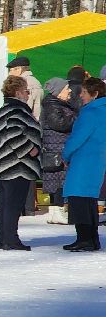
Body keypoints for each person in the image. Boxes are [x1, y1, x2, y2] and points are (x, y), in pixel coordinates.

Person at [0, 74, 43, 251]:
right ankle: (11, 239)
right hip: (16, 166)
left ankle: (3, 238)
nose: (28, 95)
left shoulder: (3, 109)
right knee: (13, 205)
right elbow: (13, 133)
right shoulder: (17, 110)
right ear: (19, 92)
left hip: (2, 165)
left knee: (4, 204)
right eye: (27, 91)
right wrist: (30, 149)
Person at [61, 76, 106, 252]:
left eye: (85, 93)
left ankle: (84, 238)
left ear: (94, 94)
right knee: (89, 200)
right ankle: (92, 239)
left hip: (83, 160)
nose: (81, 96)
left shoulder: (90, 112)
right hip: (98, 160)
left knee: (78, 199)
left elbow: (77, 138)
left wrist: (66, 154)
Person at [39, 76, 76, 222]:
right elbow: (59, 124)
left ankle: (56, 211)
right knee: (58, 179)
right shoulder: (52, 105)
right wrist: (75, 117)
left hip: (58, 146)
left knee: (58, 180)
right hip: (56, 147)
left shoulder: (59, 104)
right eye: (67, 88)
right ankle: (57, 210)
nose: (70, 91)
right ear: (59, 92)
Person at [6, 56, 43, 122]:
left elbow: (26, 108)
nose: (9, 73)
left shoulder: (25, 84)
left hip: (27, 123)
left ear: (19, 69)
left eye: (11, 70)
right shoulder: (33, 81)